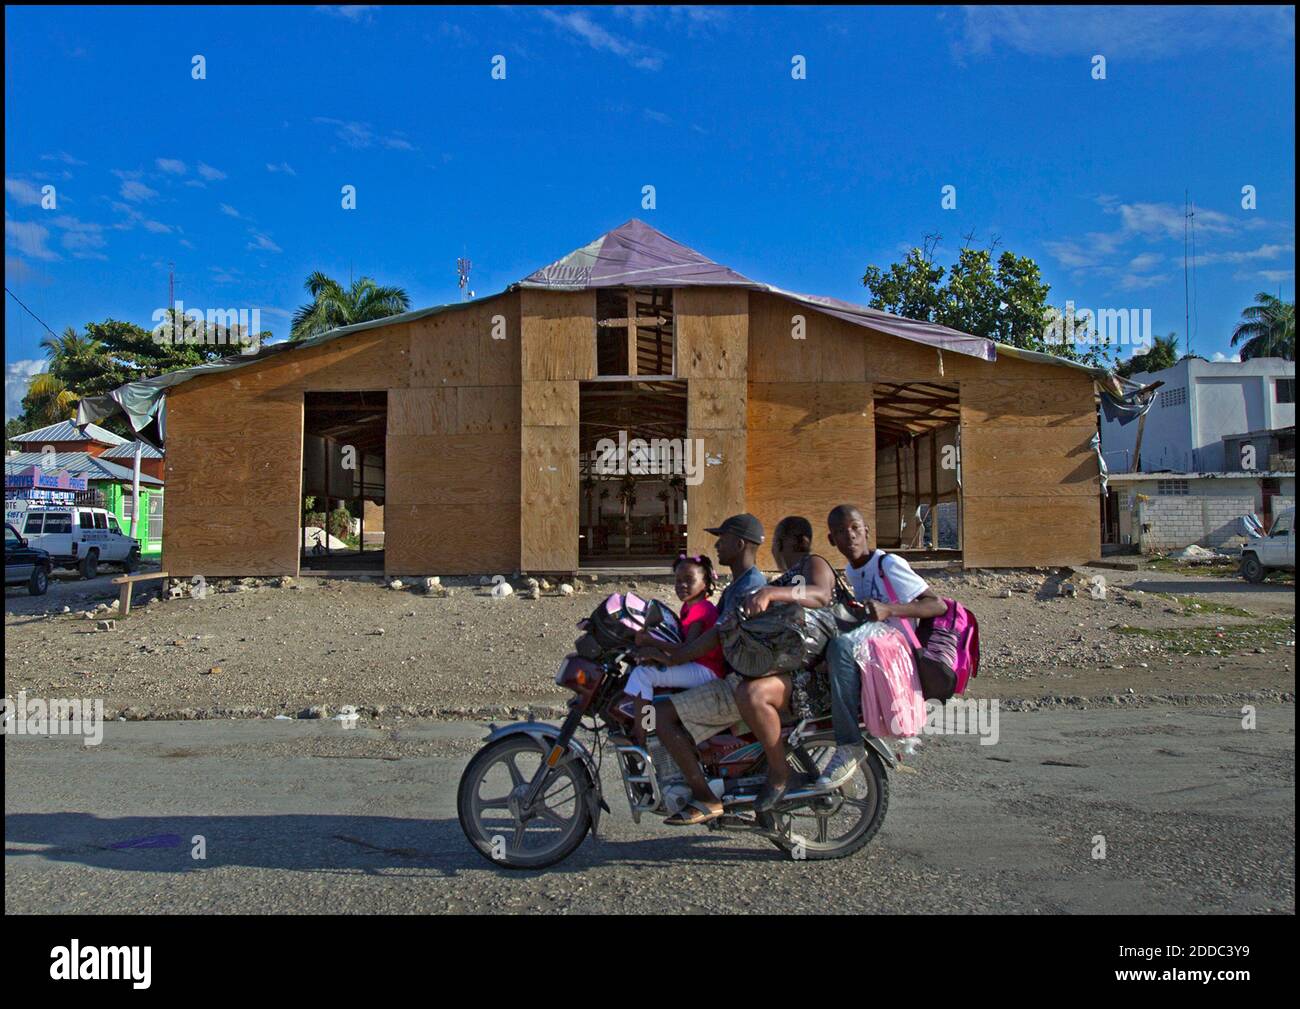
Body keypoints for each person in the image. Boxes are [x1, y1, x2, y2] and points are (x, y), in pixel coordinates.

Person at [634, 514, 768, 826]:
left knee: (662, 713)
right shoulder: (739, 586)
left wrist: (667, 657)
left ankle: (705, 796)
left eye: (723, 539)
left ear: (740, 543)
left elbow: (707, 642)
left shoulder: (749, 588)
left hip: (735, 685)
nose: (718, 545)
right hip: (732, 679)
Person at [817, 504, 947, 790]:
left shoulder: (888, 564)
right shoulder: (852, 571)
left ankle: (849, 744)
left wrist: (890, 609)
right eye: (840, 532)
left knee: (840, 648)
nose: (849, 536)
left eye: (854, 528)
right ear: (831, 540)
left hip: (896, 647)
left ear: (866, 531)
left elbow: (936, 604)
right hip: (876, 643)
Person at [732, 516, 850, 811]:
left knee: (752, 695)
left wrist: (772, 593)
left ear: (794, 542)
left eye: (776, 542)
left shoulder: (814, 564)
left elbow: (821, 594)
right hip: (797, 668)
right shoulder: (787, 577)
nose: (772, 550)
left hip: (818, 676)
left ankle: (779, 773)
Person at [617, 554, 724, 746]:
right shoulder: (689, 607)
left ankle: (640, 736)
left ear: (706, 583)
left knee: (643, 675)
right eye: (678, 580)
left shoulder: (701, 609)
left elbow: (686, 650)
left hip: (707, 671)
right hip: (698, 665)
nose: (682, 585)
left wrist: (653, 646)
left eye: (689, 581)